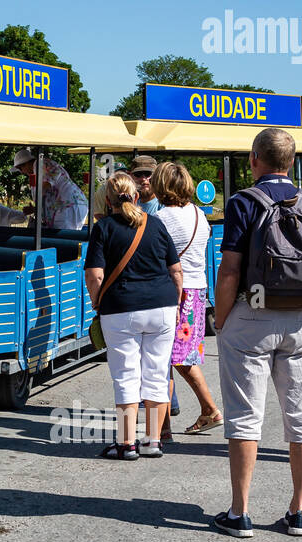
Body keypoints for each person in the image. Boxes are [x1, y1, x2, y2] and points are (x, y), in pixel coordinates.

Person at [213, 127, 302, 537]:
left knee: (245, 415)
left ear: (254, 159)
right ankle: (299, 511)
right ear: (292, 160)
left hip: (253, 314)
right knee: (301, 416)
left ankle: (240, 512)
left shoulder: (243, 202)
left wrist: (222, 319)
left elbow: (230, 269)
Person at [84, 172, 183, 460]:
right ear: (136, 197)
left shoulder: (103, 229)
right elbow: (176, 271)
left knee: (126, 375)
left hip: (120, 308)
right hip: (162, 307)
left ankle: (126, 444)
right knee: (156, 374)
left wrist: (97, 301)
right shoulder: (156, 224)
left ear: (107, 200)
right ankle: (152, 441)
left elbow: (95, 274)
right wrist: (174, 303)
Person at [152, 162, 222, 436]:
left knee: (176, 358)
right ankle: (164, 425)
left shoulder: (161, 219)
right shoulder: (198, 214)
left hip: (173, 290)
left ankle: (208, 409)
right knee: (173, 357)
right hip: (197, 289)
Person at [13, 148, 88, 229]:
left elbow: (46, 184)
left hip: (67, 208)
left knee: (62, 239)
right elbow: (48, 196)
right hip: (67, 207)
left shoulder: (41, 164)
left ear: (25, 164)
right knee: (65, 239)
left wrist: (36, 195)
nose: (22, 172)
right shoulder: (38, 168)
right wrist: (35, 209)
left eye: (20, 169)